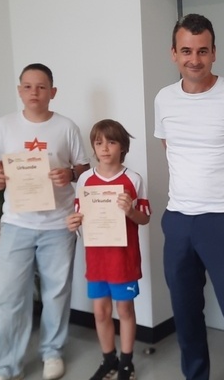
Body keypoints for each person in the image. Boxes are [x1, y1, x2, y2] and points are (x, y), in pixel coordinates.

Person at [154, 13, 224, 380]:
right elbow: (171, 149)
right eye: (186, 51)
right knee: (185, 312)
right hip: (178, 219)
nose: (195, 59)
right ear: (174, 53)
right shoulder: (164, 99)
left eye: (202, 51)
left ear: (214, 52)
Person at [0, 63, 90, 380]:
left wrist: (69, 174)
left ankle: (52, 352)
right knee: (8, 298)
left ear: (52, 92)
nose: (35, 92)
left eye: (42, 87)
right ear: (20, 91)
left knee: (56, 293)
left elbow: (84, 168)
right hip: (17, 223)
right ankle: (6, 366)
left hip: (58, 225)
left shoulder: (66, 127)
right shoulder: (5, 125)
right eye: (28, 86)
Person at [66, 119, 151, 380]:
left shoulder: (133, 179)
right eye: (99, 142)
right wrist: (74, 223)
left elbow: (145, 218)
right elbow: (80, 215)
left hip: (123, 260)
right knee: (101, 312)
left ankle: (126, 362)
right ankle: (109, 360)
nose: (104, 148)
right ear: (93, 147)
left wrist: (130, 211)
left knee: (124, 311)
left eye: (111, 142)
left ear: (122, 146)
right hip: (96, 259)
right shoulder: (84, 179)